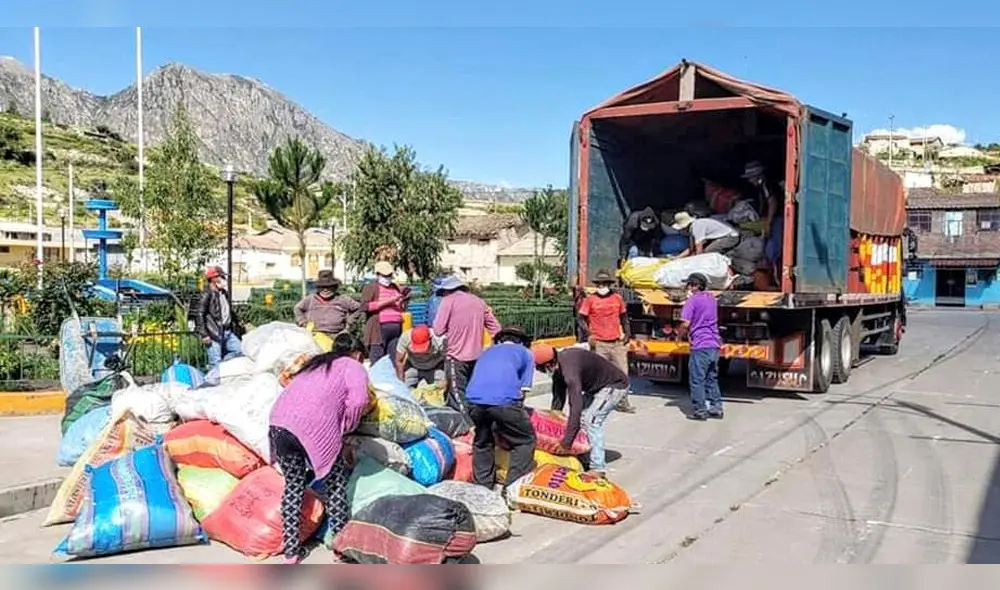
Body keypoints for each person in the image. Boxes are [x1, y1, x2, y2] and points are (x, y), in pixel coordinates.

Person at [267, 333, 371, 564]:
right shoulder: (352, 367)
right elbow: (359, 401)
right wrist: (347, 426)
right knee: (335, 485)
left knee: (293, 485)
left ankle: (291, 552)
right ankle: (341, 549)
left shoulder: (316, 364)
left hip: (279, 424)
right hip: (313, 429)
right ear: (357, 354)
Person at [532, 344, 629, 477]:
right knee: (583, 420)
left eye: (541, 369)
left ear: (549, 365)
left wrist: (566, 444)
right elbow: (558, 397)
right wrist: (553, 420)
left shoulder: (570, 371)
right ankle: (585, 457)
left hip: (615, 385)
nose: (541, 372)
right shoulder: (558, 365)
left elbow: (575, 408)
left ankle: (598, 468)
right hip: (596, 387)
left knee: (591, 420)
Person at [465, 328, 537, 491]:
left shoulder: (486, 351)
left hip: (474, 400)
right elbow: (522, 391)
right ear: (522, 342)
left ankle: (482, 488)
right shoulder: (525, 353)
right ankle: (512, 488)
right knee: (525, 440)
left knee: (482, 441)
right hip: (504, 401)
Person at [432, 274, 502, 415]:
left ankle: (470, 427)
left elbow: (438, 330)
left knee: (458, 396)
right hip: (476, 357)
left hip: (455, 357)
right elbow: (496, 329)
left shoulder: (447, 301)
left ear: (447, 290)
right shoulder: (479, 302)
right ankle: (478, 425)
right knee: (472, 394)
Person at [578, 268, 636, 414]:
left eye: (605, 283)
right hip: (599, 343)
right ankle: (593, 402)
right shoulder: (590, 300)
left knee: (622, 374)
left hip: (617, 342)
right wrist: (589, 334)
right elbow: (581, 319)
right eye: (599, 283)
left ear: (609, 284)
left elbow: (623, 317)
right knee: (597, 374)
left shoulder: (617, 298)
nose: (602, 286)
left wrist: (627, 334)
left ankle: (623, 402)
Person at [676, 273, 723, 421]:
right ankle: (716, 408)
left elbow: (685, 323)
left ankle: (700, 411)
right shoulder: (712, 299)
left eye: (689, 285)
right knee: (711, 378)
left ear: (695, 285)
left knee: (697, 380)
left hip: (700, 345)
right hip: (714, 344)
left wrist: (679, 336)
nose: (688, 288)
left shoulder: (692, 301)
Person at [359, 261, 410, 363]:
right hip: (379, 328)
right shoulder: (371, 287)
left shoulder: (395, 287)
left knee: (394, 358)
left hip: (396, 328)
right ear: (378, 275)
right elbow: (365, 306)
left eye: (389, 275)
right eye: (385, 275)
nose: (388, 278)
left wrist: (403, 300)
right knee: (378, 358)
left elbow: (401, 307)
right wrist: (389, 301)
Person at [197, 266, 244, 370]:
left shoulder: (223, 293)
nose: (224, 279)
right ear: (213, 279)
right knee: (215, 364)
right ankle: (215, 384)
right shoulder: (207, 294)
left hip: (227, 331)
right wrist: (204, 334)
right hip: (214, 334)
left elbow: (227, 311)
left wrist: (238, 323)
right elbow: (199, 314)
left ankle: (225, 364)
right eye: (221, 276)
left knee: (240, 351)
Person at [741, 161, 783, 278]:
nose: (750, 181)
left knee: (773, 247)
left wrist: (768, 222)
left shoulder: (767, 184)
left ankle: (775, 274)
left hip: (777, 219)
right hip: (773, 219)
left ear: (757, 176)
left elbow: (772, 202)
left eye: (751, 177)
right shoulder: (763, 186)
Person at [293, 269, 361, 338]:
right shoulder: (311, 299)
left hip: (336, 336)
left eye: (329, 287)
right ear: (318, 288)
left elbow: (359, 308)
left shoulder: (342, 299)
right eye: (322, 287)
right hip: (314, 335)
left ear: (334, 287)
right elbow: (297, 308)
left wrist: (349, 324)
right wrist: (302, 321)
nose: (325, 290)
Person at [671, 211, 741, 257]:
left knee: (706, 252)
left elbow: (699, 248)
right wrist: (678, 257)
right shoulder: (692, 229)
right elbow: (692, 248)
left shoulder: (696, 226)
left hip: (731, 237)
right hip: (722, 237)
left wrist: (696, 260)